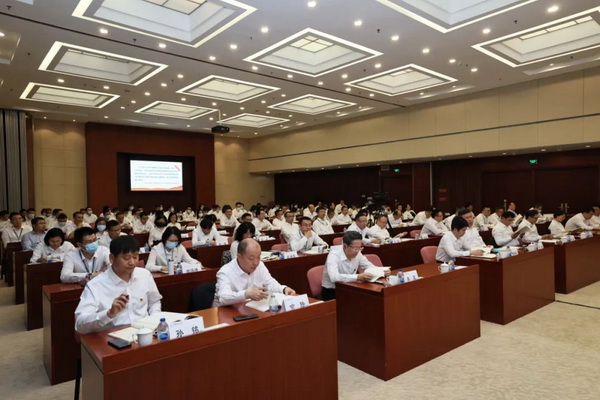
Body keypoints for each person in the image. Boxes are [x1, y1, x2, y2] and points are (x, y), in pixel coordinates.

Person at [74, 235, 163, 334]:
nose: (132, 262)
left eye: (135, 257)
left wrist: (154, 320)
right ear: (112, 258)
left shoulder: (144, 275)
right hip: (112, 337)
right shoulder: (96, 285)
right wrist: (109, 313)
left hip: (145, 333)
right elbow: (80, 324)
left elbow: (154, 302)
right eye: (126, 258)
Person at [213, 239, 296, 307]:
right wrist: (246, 294)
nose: (256, 263)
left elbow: (270, 283)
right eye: (251, 259)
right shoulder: (225, 272)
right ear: (239, 257)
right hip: (227, 312)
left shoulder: (260, 265)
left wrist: (283, 289)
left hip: (251, 308)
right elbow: (223, 297)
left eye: (258, 257)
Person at [321, 231, 385, 301]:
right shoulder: (334, 255)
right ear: (345, 246)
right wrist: (358, 277)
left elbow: (369, 266)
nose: (357, 251)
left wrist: (382, 271)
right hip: (333, 292)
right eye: (355, 248)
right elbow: (334, 277)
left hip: (350, 288)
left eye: (360, 247)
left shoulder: (358, 253)